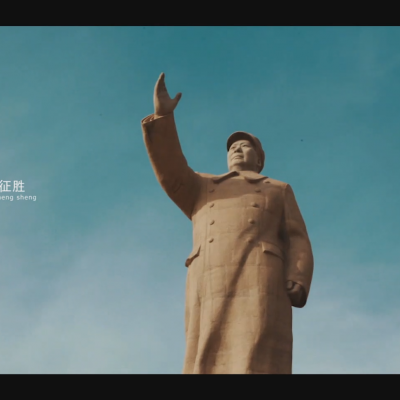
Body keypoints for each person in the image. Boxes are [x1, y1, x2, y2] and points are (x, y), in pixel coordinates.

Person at [141, 73, 314, 374]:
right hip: (209, 277)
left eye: (246, 146)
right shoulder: (203, 186)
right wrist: (163, 117)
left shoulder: (277, 189)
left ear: (259, 160)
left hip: (260, 276)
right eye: (232, 147)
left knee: (257, 345)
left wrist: (298, 276)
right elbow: (171, 171)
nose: (236, 149)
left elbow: (297, 236)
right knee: (206, 350)